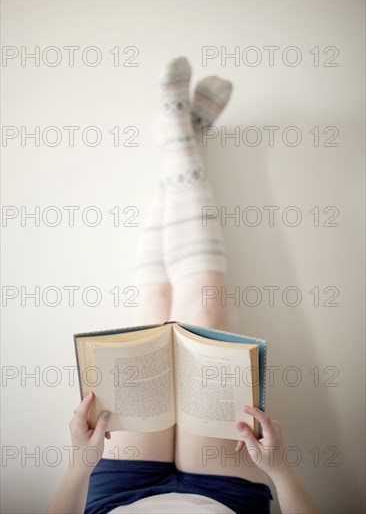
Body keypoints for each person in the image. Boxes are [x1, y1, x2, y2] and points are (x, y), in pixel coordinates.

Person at [47, 58, 319, 514]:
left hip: (118, 491)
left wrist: (80, 462)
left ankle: (182, 140)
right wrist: (279, 467)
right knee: (204, 320)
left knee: (152, 326)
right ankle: (183, 138)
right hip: (223, 493)